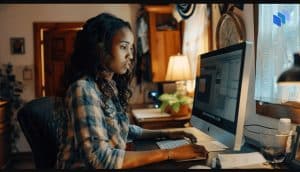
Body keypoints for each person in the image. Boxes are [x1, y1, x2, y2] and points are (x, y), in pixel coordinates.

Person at [56, 12, 208, 169]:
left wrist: (166, 134)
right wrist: (171, 153)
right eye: (123, 47)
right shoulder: (83, 89)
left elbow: (123, 129)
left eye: (131, 48)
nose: (130, 55)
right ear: (100, 48)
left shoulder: (107, 86)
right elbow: (101, 159)